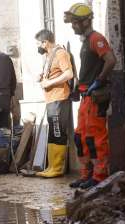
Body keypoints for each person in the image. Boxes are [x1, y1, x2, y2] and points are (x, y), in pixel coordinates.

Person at [65, 3, 117, 189]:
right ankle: (87, 175)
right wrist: (78, 88)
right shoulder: (86, 42)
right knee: (81, 137)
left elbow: (110, 60)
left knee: (96, 137)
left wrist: (99, 81)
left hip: (95, 96)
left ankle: (100, 176)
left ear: (86, 21)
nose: (73, 26)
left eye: (75, 22)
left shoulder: (97, 39)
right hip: (86, 95)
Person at [35, 29, 75, 178]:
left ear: (45, 43)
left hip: (59, 98)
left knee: (57, 132)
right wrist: (42, 77)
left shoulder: (60, 53)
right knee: (53, 132)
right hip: (51, 98)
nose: (38, 46)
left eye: (38, 43)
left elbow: (68, 73)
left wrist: (50, 82)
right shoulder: (49, 55)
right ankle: (52, 166)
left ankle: (57, 168)